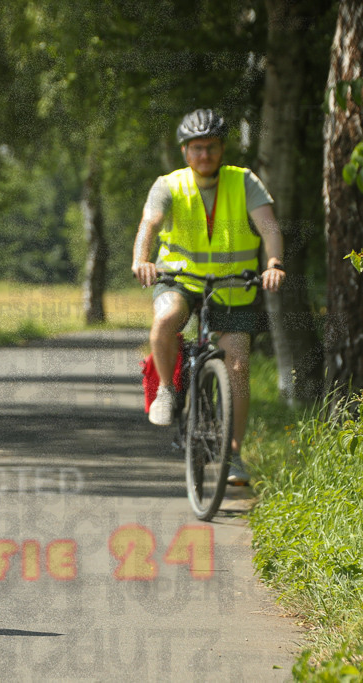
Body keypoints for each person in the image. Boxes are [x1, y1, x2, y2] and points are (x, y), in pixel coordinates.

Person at [131, 108, 286, 486]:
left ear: (222, 149)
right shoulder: (168, 185)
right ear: (185, 151)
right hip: (180, 279)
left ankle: (233, 455)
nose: (205, 155)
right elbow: (149, 223)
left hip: (232, 286)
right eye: (197, 148)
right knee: (165, 319)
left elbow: (269, 226)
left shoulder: (244, 181)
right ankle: (167, 389)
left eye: (212, 147)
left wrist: (274, 263)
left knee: (238, 366)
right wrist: (141, 259)